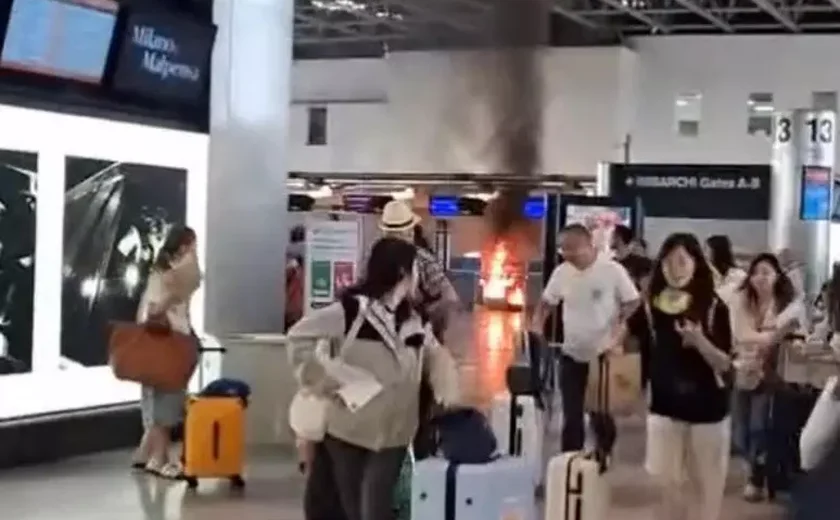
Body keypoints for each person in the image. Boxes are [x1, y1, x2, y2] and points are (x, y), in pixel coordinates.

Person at [287, 237, 460, 520]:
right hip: (350, 428)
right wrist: (323, 380)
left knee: (375, 508)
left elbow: (434, 357)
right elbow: (298, 336)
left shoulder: (412, 320)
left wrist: (447, 390)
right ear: (403, 273)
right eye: (415, 269)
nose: (418, 278)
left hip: (395, 432)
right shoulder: (350, 312)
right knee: (358, 508)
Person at [631, 232, 733, 520]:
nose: (674, 268)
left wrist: (700, 341)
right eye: (667, 261)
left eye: (682, 261)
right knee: (666, 489)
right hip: (664, 409)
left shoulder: (714, 307)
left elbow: (725, 364)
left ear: (696, 264)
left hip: (707, 411)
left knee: (706, 492)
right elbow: (630, 339)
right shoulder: (652, 305)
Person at [530, 224, 640, 454]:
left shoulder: (612, 270)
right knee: (572, 414)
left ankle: (603, 454)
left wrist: (620, 322)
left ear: (589, 245)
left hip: (602, 354)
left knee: (599, 414)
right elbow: (547, 302)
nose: (567, 254)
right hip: (571, 353)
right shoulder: (562, 272)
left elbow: (633, 301)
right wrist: (538, 323)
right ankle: (570, 462)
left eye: (572, 249)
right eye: (563, 250)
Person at [729, 253, 802, 501]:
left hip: (770, 374)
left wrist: (771, 336)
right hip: (741, 369)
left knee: (759, 427)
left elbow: (793, 329)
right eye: (756, 272)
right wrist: (774, 334)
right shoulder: (741, 301)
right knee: (740, 431)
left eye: (767, 272)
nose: (760, 277)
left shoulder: (785, 304)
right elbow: (740, 334)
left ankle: (756, 477)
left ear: (777, 276)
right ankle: (754, 467)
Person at [131, 226, 202, 480]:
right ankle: (160, 459)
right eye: (192, 246)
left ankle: (146, 454)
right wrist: (172, 298)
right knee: (166, 402)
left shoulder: (159, 272)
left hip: (157, 344)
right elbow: (154, 310)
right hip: (169, 344)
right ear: (184, 246)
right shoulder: (169, 277)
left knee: (155, 400)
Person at [705, 235, 746, 303]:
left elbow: (724, 297)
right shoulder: (711, 274)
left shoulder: (737, 275)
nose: (704, 254)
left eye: (707, 249)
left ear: (716, 251)